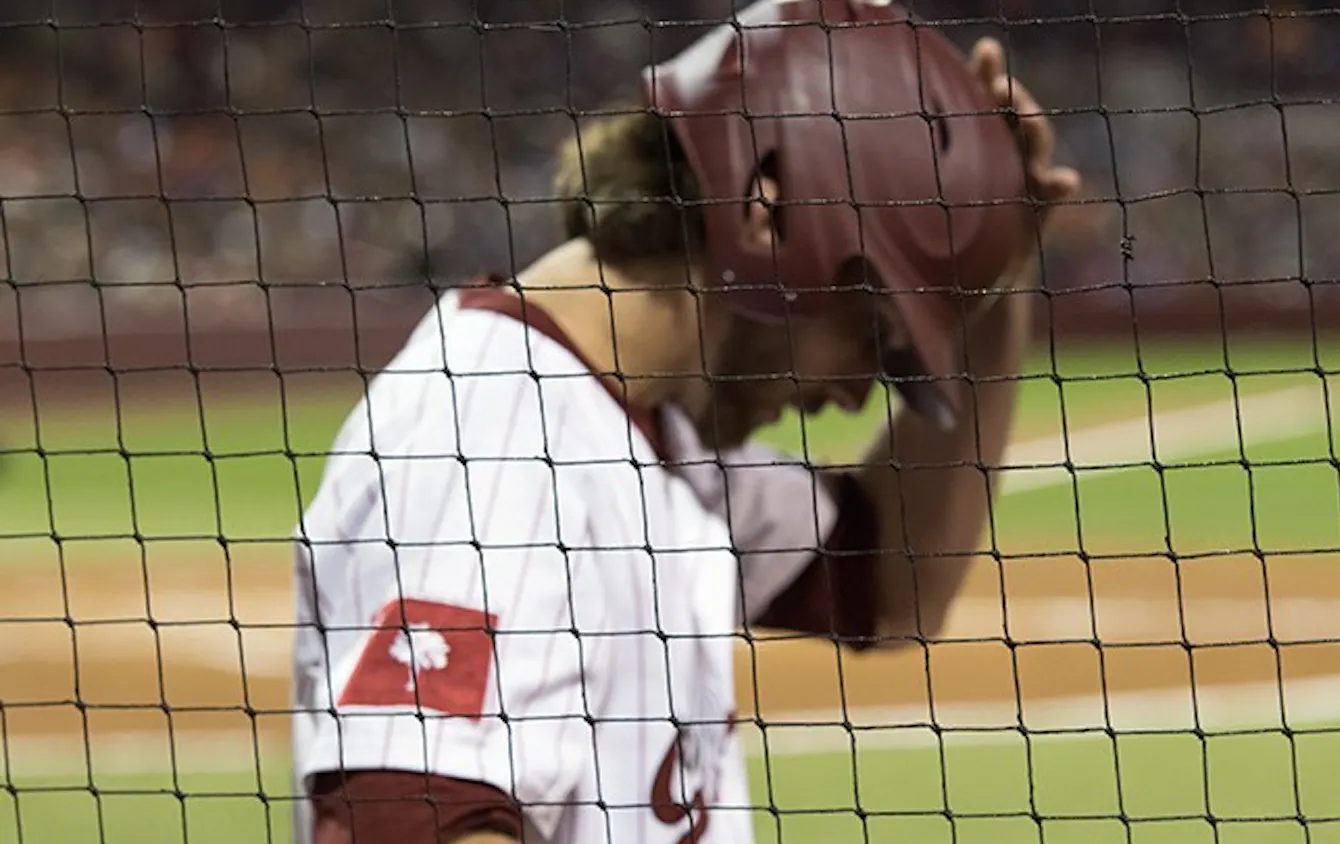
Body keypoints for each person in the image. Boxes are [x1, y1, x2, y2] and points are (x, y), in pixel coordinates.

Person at [287, 1, 1081, 843]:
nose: (856, 395)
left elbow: (897, 583)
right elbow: (407, 825)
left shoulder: (653, 428)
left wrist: (996, 280)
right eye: (870, 331)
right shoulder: (491, 435)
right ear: (768, 218)